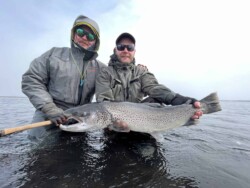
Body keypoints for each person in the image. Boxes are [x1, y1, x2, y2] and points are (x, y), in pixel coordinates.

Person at [22, 15, 106, 140]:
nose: (84, 37)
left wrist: (141, 70)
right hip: (48, 115)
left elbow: (111, 88)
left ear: (95, 42)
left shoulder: (101, 68)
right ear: (73, 34)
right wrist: (50, 109)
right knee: (40, 154)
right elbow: (31, 80)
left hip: (81, 118)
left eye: (90, 36)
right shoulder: (53, 55)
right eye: (81, 32)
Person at [95, 32, 202, 130]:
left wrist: (176, 99)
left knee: (155, 99)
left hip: (143, 124)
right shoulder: (105, 73)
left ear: (134, 51)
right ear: (115, 50)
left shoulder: (141, 72)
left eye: (130, 47)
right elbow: (103, 102)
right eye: (121, 47)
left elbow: (154, 88)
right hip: (113, 128)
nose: (125, 51)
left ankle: (184, 117)